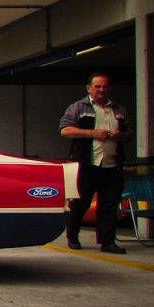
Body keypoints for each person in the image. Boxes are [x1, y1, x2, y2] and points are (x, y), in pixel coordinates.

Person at [59, 73, 131, 254]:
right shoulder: (78, 107)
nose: (101, 90)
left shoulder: (118, 109)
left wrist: (120, 135)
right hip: (86, 165)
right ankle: (72, 236)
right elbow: (65, 131)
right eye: (97, 86)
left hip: (112, 166)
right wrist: (92, 133)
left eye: (104, 86)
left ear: (109, 88)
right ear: (89, 88)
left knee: (109, 206)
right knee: (80, 203)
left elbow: (129, 134)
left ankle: (108, 242)